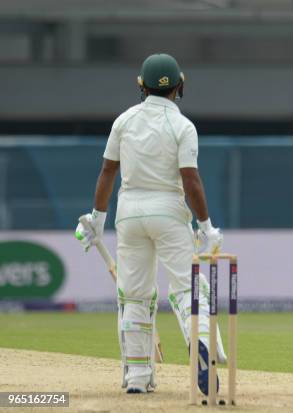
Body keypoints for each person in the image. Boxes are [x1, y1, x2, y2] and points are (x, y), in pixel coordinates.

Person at [75, 53, 225, 393]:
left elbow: (107, 171)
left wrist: (98, 219)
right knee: (189, 288)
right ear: (180, 86)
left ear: (141, 86)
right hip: (168, 212)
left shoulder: (124, 120)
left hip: (128, 214)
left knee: (135, 297)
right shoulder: (183, 126)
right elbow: (191, 181)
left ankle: (138, 378)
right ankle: (201, 345)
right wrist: (206, 226)